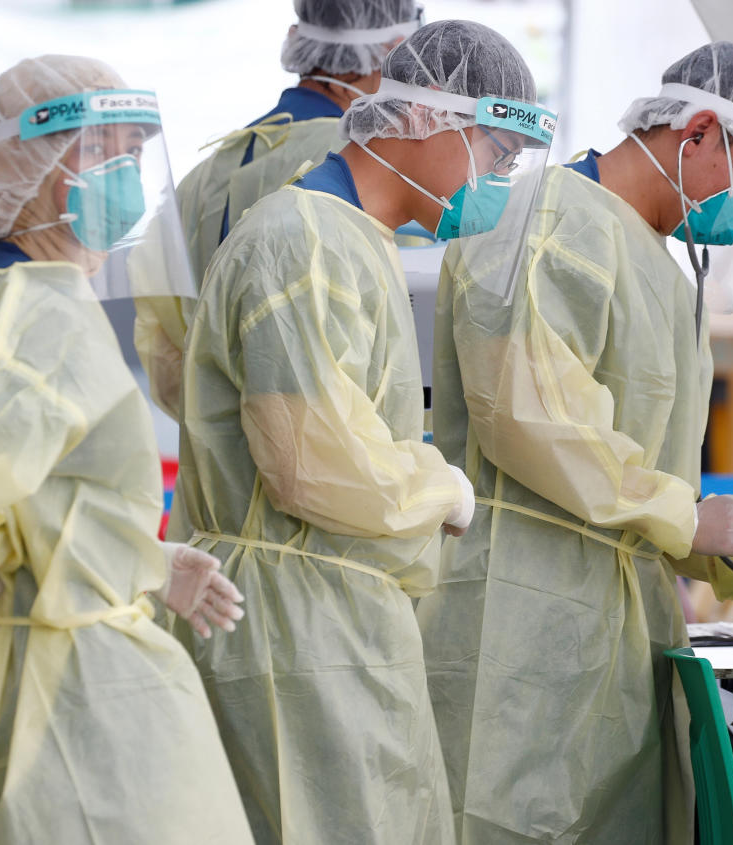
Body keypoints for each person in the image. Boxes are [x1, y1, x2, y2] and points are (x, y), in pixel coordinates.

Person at [416, 42, 733, 843]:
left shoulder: (664, 269)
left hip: (608, 628)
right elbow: (528, 414)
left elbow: (647, 462)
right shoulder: (550, 219)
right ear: (699, 130)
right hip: (517, 613)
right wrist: (687, 515)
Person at [166, 19, 554, 844]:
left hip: (335, 619)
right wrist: (438, 486)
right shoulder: (298, 241)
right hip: (291, 630)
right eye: (493, 152)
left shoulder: (352, 239)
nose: (496, 179)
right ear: (420, 117)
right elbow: (311, 464)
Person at [0, 55, 253, 844]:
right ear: (39, 169)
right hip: (70, 687)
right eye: (108, 155)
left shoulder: (15, 295)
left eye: (138, 156)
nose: (130, 179)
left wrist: (142, 563)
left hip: (64, 664)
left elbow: (32, 492)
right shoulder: (35, 311)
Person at [134, 0, 421, 419]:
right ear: (395, 52)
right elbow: (407, 333)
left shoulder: (205, 173)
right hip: (347, 463)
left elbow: (166, 353)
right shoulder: (375, 166)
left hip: (219, 470)